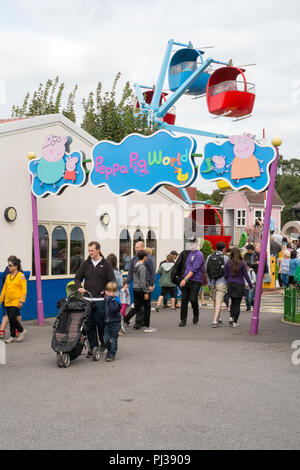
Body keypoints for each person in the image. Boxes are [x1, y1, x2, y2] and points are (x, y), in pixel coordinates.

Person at [75, 241, 115, 356]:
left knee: (101, 323)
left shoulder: (106, 264)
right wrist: (79, 287)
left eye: (92, 250)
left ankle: (104, 343)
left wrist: (109, 291)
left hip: (101, 300)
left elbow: (112, 280)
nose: (90, 253)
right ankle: (93, 347)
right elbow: (77, 278)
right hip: (87, 300)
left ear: (98, 250)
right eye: (89, 251)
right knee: (89, 324)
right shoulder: (85, 264)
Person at [173, 238, 205, 327]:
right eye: (190, 244)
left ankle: (196, 313)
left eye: (192, 244)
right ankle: (183, 320)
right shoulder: (189, 253)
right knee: (184, 301)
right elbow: (186, 267)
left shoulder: (199, 254)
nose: (191, 246)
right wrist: (182, 278)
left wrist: (185, 279)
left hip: (196, 280)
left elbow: (194, 269)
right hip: (186, 280)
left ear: (196, 244)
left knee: (193, 299)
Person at [124, 241, 156, 329]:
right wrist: (127, 283)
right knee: (138, 306)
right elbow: (130, 272)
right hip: (137, 286)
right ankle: (139, 322)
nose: (135, 249)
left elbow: (153, 272)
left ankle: (144, 322)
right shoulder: (133, 259)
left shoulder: (148, 259)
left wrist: (152, 284)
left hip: (147, 285)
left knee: (145, 306)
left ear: (142, 247)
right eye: (135, 247)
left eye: (137, 247)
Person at [0, 256, 27, 343]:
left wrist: (21, 301)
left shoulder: (21, 276)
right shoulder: (8, 276)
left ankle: (21, 330)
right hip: (7, 301)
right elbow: (4, 290)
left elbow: (24, 290)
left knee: (11, 316)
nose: (8, 267)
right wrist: (0, 301)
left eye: (10, 265)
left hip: (16, 301)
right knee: (11, 319)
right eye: (8, 265)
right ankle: (12, 335)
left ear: (15, 266)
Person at [224, 247, 253, 328]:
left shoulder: (228, 263)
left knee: (232, 302)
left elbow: (225, 275)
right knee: (237, 304)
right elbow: (246, 276)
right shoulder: (243, 263)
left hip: (231, 284)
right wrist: (251, 285)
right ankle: (235, 322)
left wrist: (229, 279)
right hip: (240, 285)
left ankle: (231, 317)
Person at [206, 241, 229, 328]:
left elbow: (206, 269)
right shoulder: (226, 258)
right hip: (221, 282)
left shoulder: (209, 257)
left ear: (216, 248)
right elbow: (227, 271)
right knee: (219, 302)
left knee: (215, 301)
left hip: (212, 282)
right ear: (224, 249)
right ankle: (215, 321)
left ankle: (219, 318)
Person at [103, 282, 122, 362]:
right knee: (105, 339)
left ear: (115, 291)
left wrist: (109, 299)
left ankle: (112, 354)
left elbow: (112, 309)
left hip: (115, 322)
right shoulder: (107, 299)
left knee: (113, 339)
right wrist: (103, 295)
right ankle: (110, 350)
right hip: (107, 322)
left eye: (112, 291)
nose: (110, 293)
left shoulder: (116, 300)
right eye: (108, 291)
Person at [0, 264, 10, 339]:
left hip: (6, 296)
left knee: (5, 314)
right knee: (16, 315)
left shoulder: (6, 270)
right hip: (12, 297)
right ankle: (19, 330)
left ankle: (2, 330)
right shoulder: (18, 273)